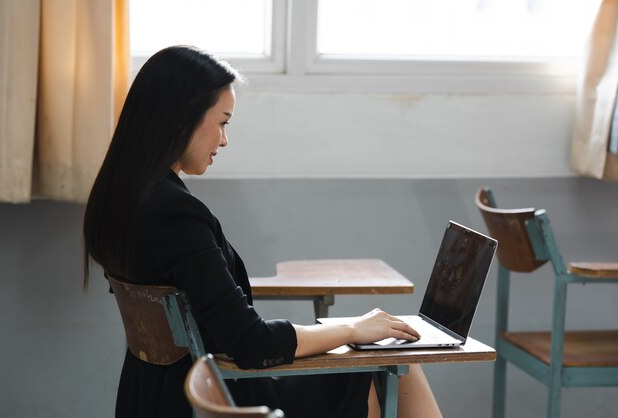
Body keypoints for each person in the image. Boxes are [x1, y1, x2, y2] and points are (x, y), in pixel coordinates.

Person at [83, 45, 442, 418]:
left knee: (384, 364)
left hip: (156, 395)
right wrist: (353, 330)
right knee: (400, 365)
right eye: (222, 122)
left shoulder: (118, 200)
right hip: (223, 398)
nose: (224, 140)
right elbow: (251, 342)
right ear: (182, 117)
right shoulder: (175, 215)